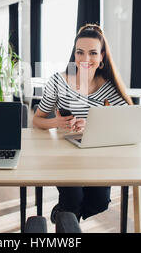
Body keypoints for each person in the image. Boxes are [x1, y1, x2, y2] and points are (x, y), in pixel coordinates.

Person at [32, 24, 133, 223]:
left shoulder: (109, 87)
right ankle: (67, 218)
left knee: (100, 203)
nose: (85, 59)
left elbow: (127, 122)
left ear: (102, 56)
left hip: (96, 156)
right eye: (80, 52)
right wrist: (56, 122)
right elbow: (36, 120)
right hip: (63, 155)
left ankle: (62, 213)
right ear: (74, 54)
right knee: (73, 199)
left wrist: (93, 125)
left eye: (93, 53)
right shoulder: (58, 81)